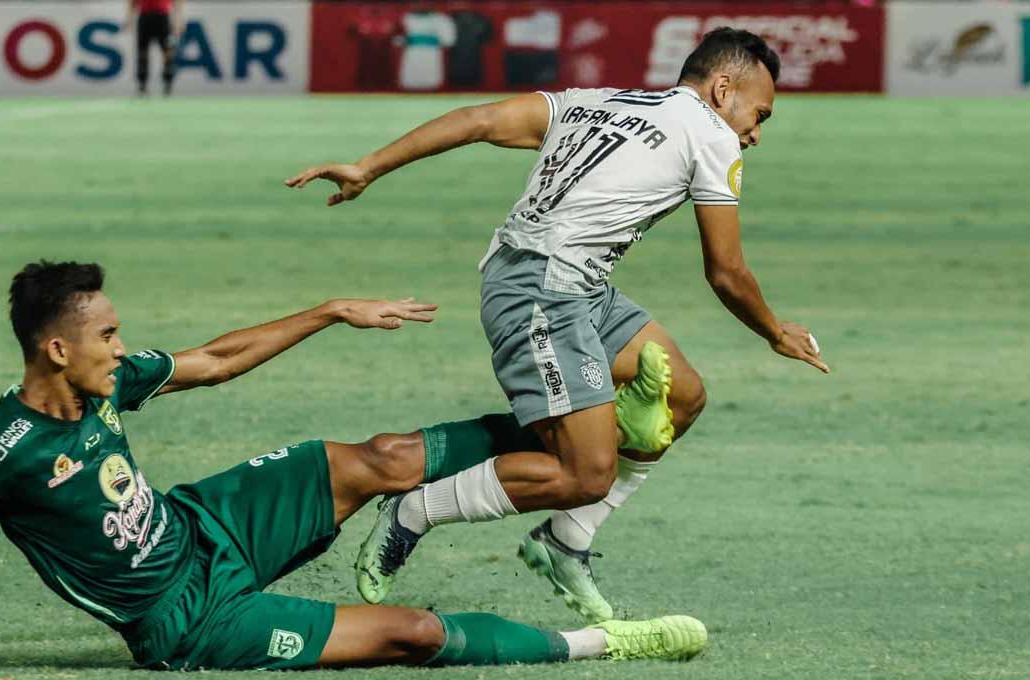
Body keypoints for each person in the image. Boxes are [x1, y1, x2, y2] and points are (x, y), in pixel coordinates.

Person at [0, 261, 707, 677]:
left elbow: (217, 360)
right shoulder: (0, 455)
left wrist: (329, 311)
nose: (121, 348)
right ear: (57, 349)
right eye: (108, 335)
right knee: (415, 632)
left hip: (203, 526)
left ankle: (571, 434)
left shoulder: (108, 382)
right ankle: (601, 644)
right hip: (186, 622)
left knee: (382, 459)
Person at [286, 27, 830, 624]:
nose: (754, 133)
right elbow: (725, 272)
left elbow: (477, 118)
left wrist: (369, 166)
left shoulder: (598, 101)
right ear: (723, 89)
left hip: (573, 283)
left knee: (683, 394)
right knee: (586, 471)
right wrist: (774, 331)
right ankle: (415, 511)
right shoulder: (712, 138)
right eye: (759, 114)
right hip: (541, 291)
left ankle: (565, 542)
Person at [125, 0, 184, 96]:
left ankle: (167, 84)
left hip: (163, 18)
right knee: (142, 52)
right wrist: (129, 18)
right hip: (145, 18)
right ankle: (142, 85)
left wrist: (178, 20)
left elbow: (178, 3)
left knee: (168, 52)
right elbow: (132, 2)